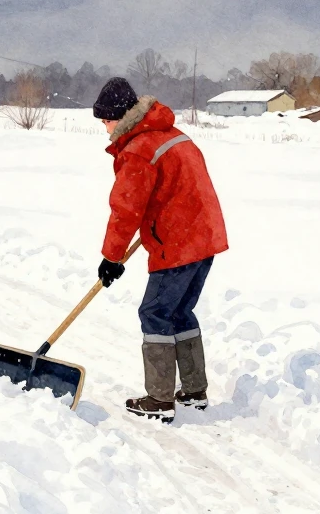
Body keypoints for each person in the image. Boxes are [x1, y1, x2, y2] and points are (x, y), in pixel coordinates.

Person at [93, 77, 228, 422]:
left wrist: (111, 257)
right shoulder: (172, 134)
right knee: (180, 312)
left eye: (106, 120)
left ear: (121, 116)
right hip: (204, 238)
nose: (105, 127)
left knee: (154, 314)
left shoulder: (139, 149)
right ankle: (194, 392)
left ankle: (159, 399)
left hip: (178, 243)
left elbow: (126, 209)